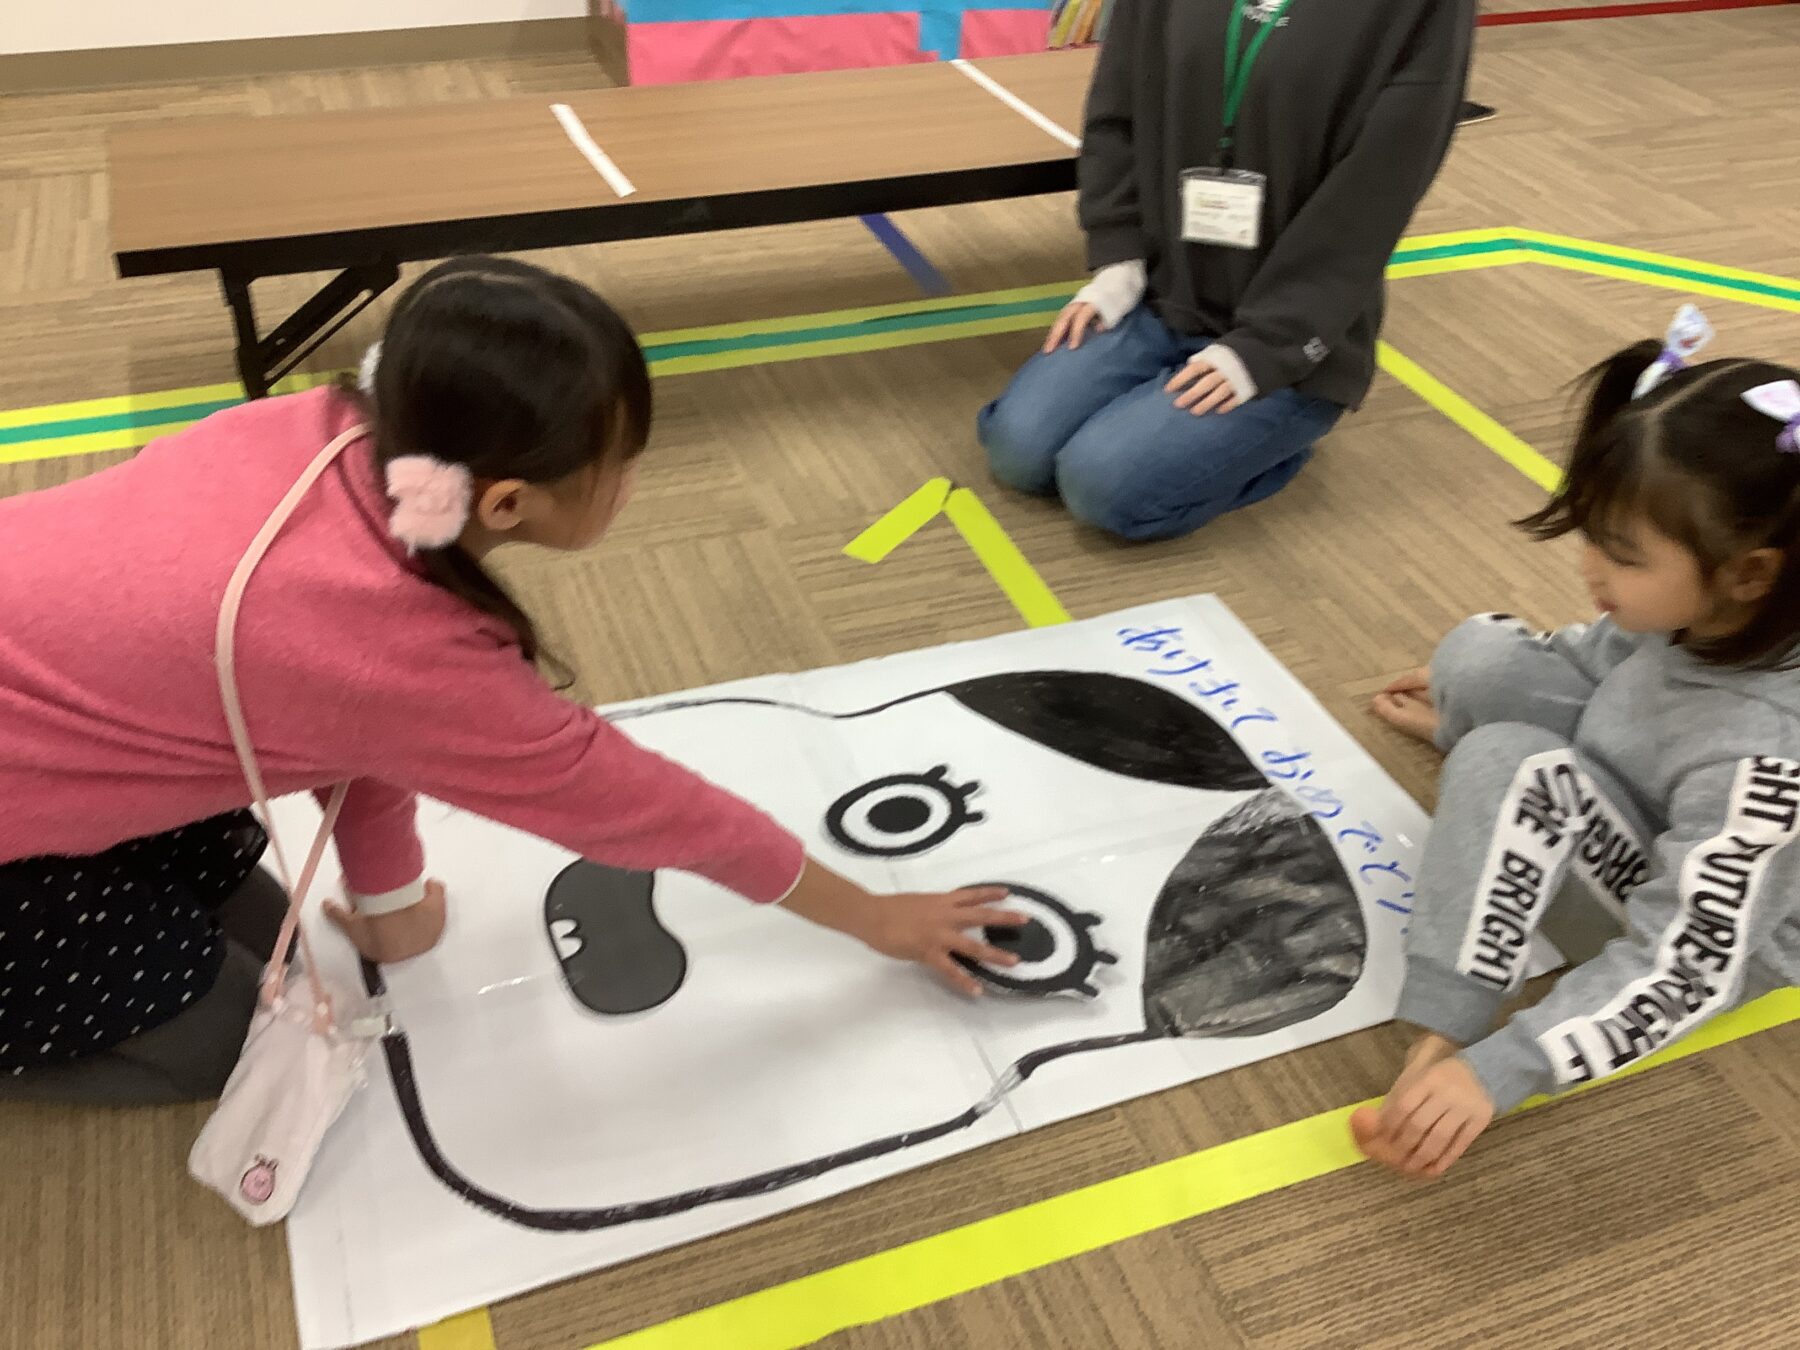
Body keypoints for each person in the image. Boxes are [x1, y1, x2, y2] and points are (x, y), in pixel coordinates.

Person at [0, 256, 1024, 1106]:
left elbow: (346, 715)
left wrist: (391, 900)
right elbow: (661, 815)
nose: (634, 481)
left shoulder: (335, 432)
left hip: (53, 732)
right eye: (621, 464)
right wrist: (877, 917)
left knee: (278, 954)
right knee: (228, 1048)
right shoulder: (402, 647)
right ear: (502, 504)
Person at [1351, 310, 1800, 1179]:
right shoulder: (1716, 608)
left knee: (1503, 759)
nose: (1588, 567)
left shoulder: (1764, 754)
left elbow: (1690, 965)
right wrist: (1464, 701)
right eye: (1591, 532)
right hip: (1650, 767)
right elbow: (1607, 656)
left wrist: (1494, 1066)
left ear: (1750, 574)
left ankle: (1446, 1019)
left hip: (1732, 916)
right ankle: (1489, 728)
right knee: (1480, 658)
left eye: (1622, 555)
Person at [977, 0, 1474, 541]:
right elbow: (1115, 110)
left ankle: (1272, 445)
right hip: (1161, 297)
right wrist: (1118, 260)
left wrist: (1270, 346)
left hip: (1290, 337)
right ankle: (1175, 426)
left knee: (1101, 486)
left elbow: (1378, 190)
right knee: (1019, 452)